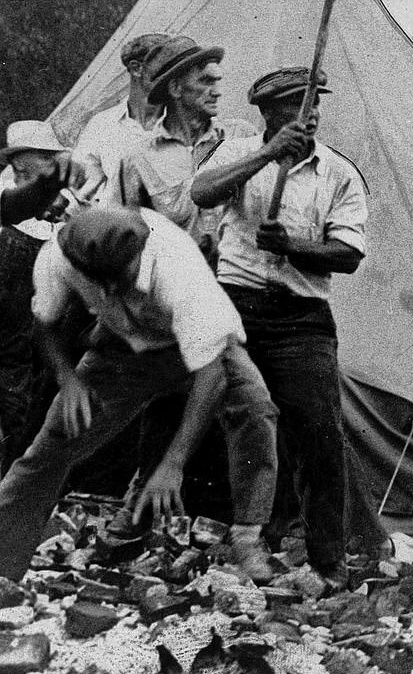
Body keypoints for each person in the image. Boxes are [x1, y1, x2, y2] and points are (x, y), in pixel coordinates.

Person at [0, 208, 279, 580]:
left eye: (118, 278)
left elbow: (211, 376)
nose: (109, 291)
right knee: (51, 448)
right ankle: (3, 563)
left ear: (140, 256)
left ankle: (247, 536)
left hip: (198, 347)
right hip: (120, 349)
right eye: (96, 281)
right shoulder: (58, 256)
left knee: (256, 409)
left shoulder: (178, 268)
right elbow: (45, 322)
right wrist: (68, 380)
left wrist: (174, 463)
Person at [189, 68, 372, 579]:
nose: (310, 115)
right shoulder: (235, 153)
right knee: (240, 419)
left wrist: (291, 246)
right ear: (269, 114)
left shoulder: (339, 173)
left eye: (316, 105)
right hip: (236, 308)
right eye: (298, 105)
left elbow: (349, 254)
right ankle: (240, 542)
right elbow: (202, 192)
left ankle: (328, 560)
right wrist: (267, 156)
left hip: (301, 317)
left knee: (319, 434)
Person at [0, 124, 90, 467]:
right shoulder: (12, 194)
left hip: (49, 303)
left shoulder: (73, 198)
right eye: (17, 168)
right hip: (18, 296)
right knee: (16, 378)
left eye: (27, 167)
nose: (20, 174)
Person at [118, 37, 256, 254]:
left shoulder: (241, 136)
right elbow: (126, 234)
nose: (217, 91)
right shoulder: (139, 157)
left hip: (238, 281)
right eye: (205, 81)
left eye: (217, 81)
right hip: (179, 279)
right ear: (175, 88)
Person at [69, 33, 173, 200]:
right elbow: (81, 189)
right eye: (165, 67)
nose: (173, 74)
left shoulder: (188, 120)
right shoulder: (101, 126)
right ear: (136, 68)